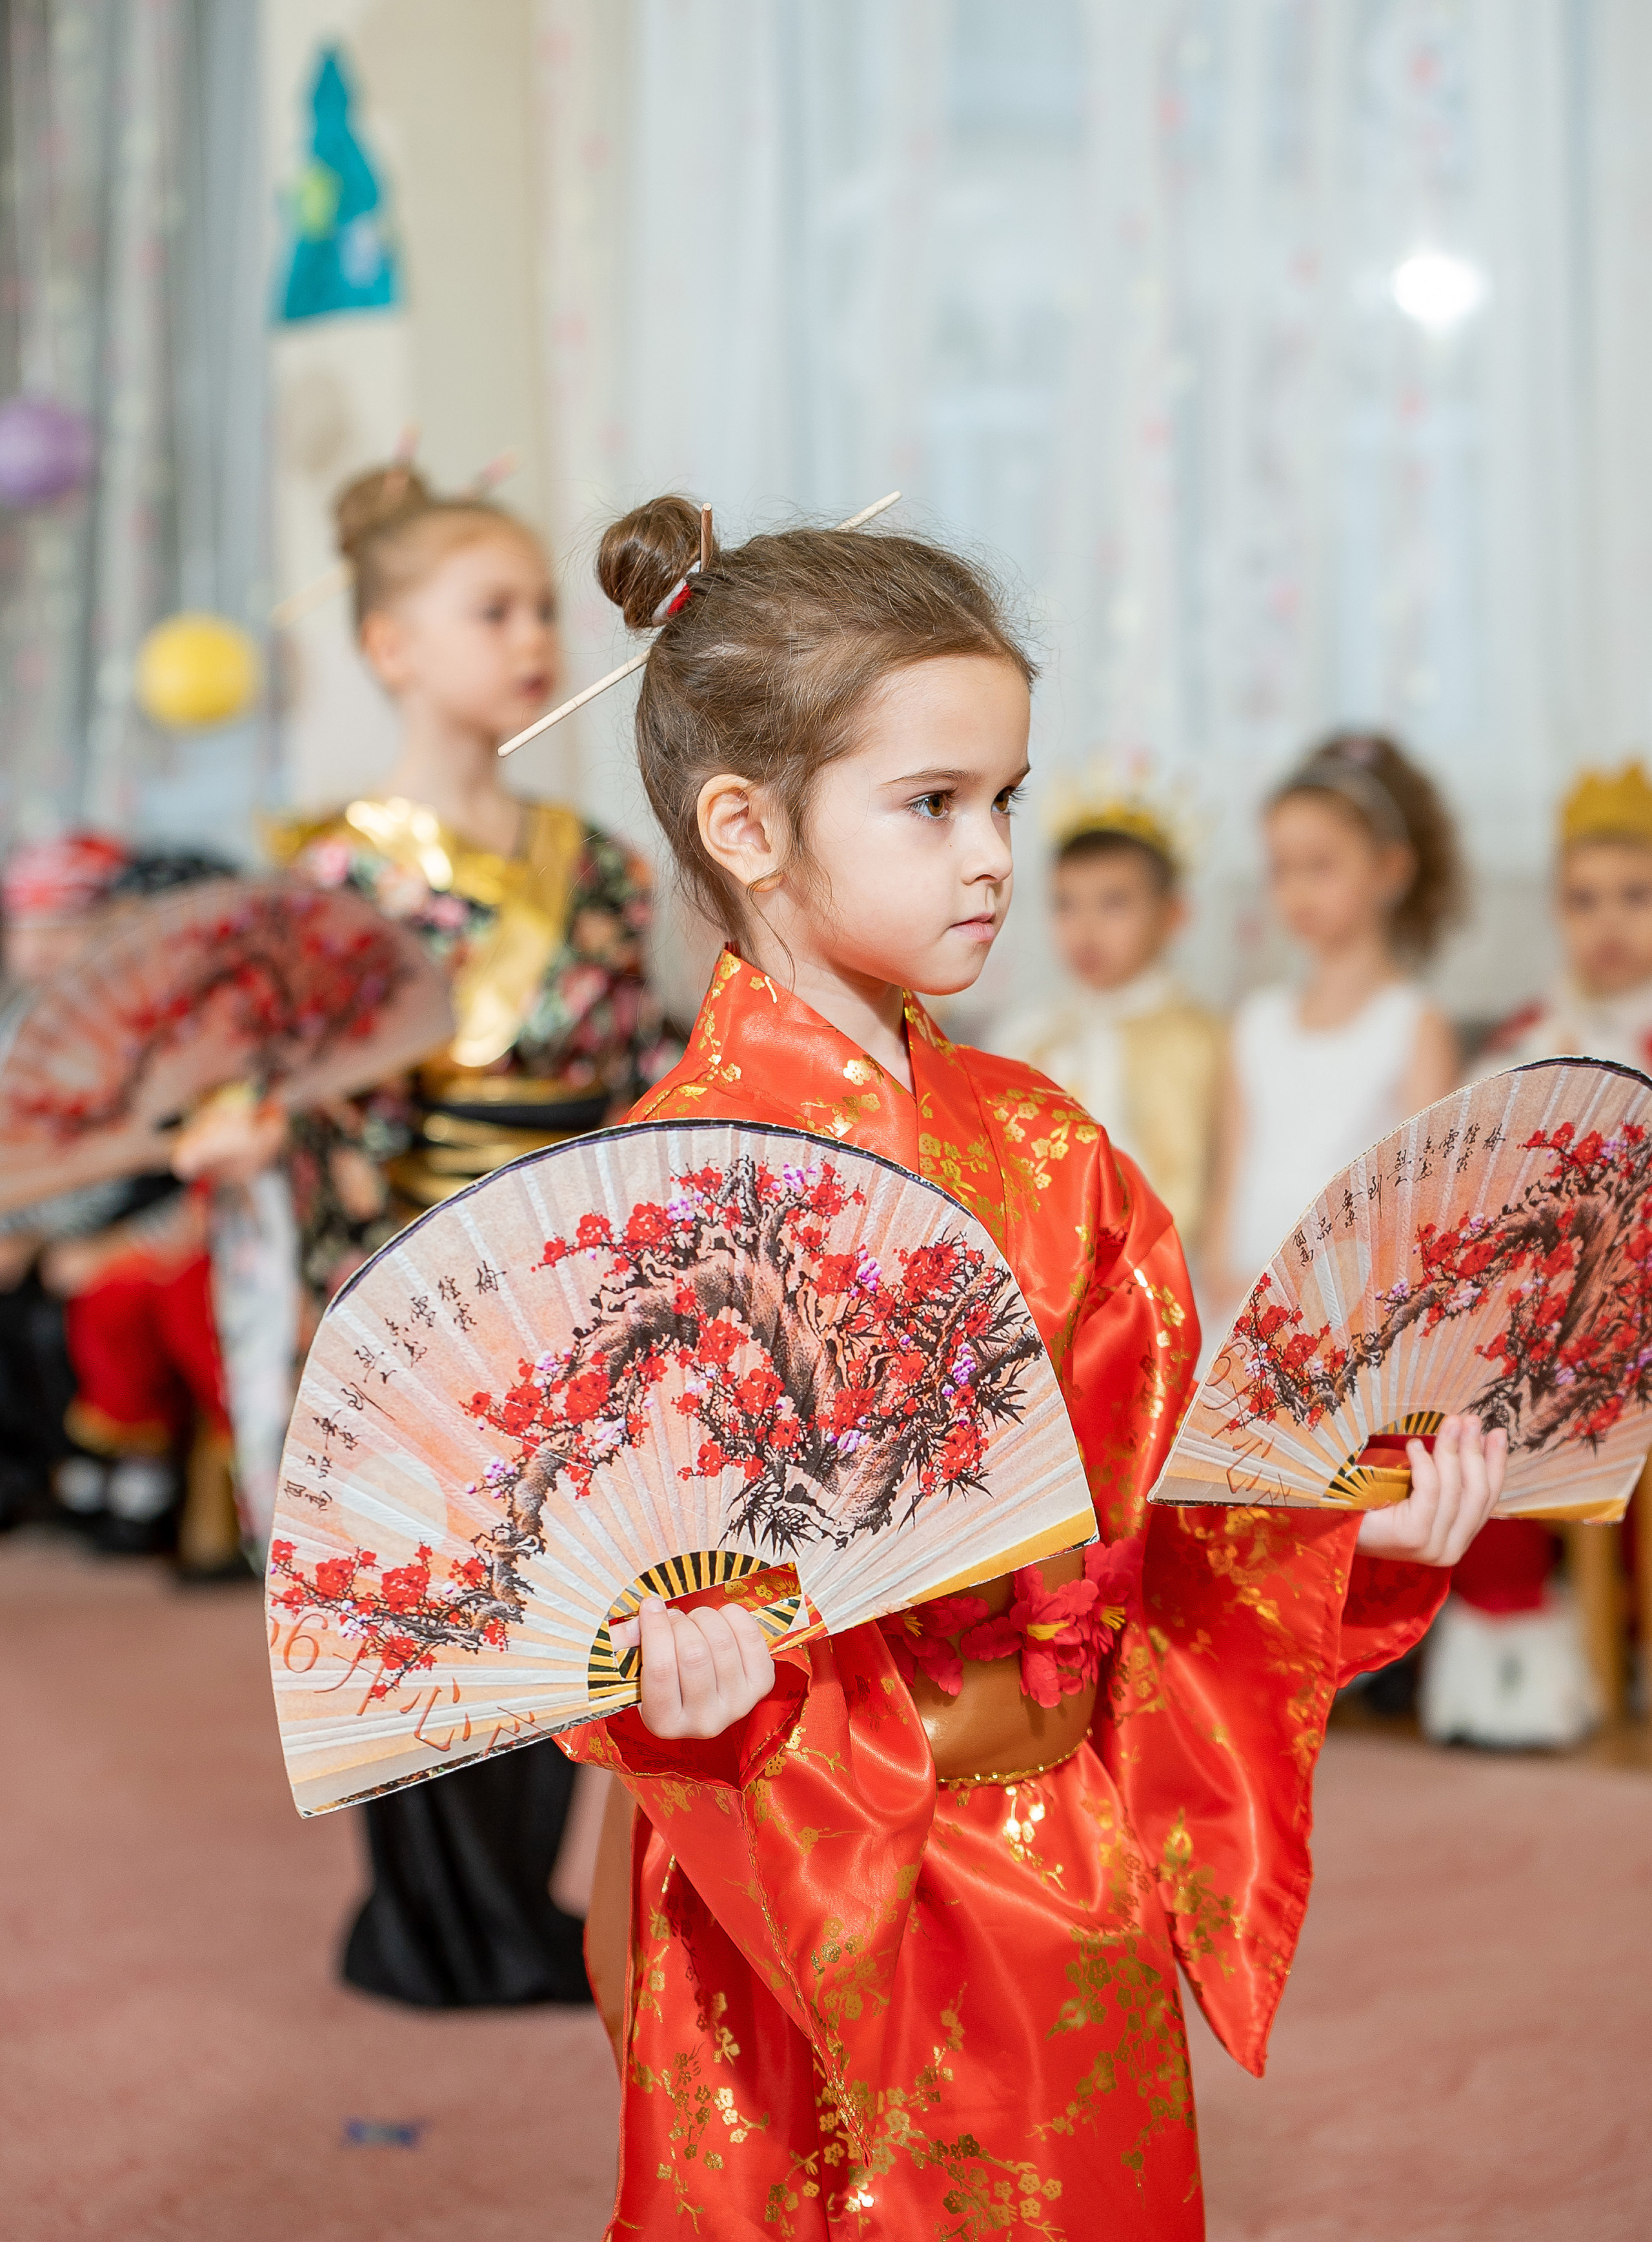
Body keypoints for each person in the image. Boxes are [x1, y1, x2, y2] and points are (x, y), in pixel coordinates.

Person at [555, 496, 1502, 2236]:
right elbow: (590, 1578)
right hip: (802, 1847)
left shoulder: (1054, 1149)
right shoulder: (647, 1209)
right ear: (745, 826)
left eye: (1004, 798)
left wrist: (1356, 1529)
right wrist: (663, 1691)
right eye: (931, 804)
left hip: (1065, 1834)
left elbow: (1174, 1503)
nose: (993, 855)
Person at [246, 461, 676, 2008]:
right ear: (390, 645)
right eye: (489, 611)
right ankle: (437, 1924)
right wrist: (352, 1315)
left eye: (539, 609)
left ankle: (518, 1905)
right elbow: (330, 1127)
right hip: (407, 1289)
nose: (531, 638)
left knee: (558, 1597)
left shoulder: (605, 868)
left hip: (571, 1286)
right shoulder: (333, 877)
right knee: (424, 1606)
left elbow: (629, 1087)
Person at [1415, 762, 1652, 1748]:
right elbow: (1482, 1188)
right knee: (1475, 1372)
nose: (1609, 922)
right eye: (1584, 899)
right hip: (1556, 1310)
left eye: (1635, 896)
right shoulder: (1528, 1039)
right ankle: (1510, 1638)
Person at [0, 835, 243, 1575]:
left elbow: (151, 1163)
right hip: (112, 1216)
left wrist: (99, 1237)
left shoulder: (215, 1026)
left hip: (200, 1222)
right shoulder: (99, 1024)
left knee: (139, 1302)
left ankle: (176, 1490)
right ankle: (79, 1468)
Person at [1202, 731, 1463, 1331]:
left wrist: (1333, 1308)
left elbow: (1423, 1203)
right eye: (1281, 869)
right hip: (1240, 1311)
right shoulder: (1254, 1025)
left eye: (1320, 866)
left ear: (1390, 869)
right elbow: (1228, 1187)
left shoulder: (1414, 1025)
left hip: (1353, 1315)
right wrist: (1225, 1282)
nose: (1297, 890)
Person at [988, 785, 1221, 1246]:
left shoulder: (1199, 1041)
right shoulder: (1028, 1035)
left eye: (1114, 903)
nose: (1086, 929)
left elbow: (1197, 1191)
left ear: (1173, 914)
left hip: (1155, 1267)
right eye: (1066, 904)